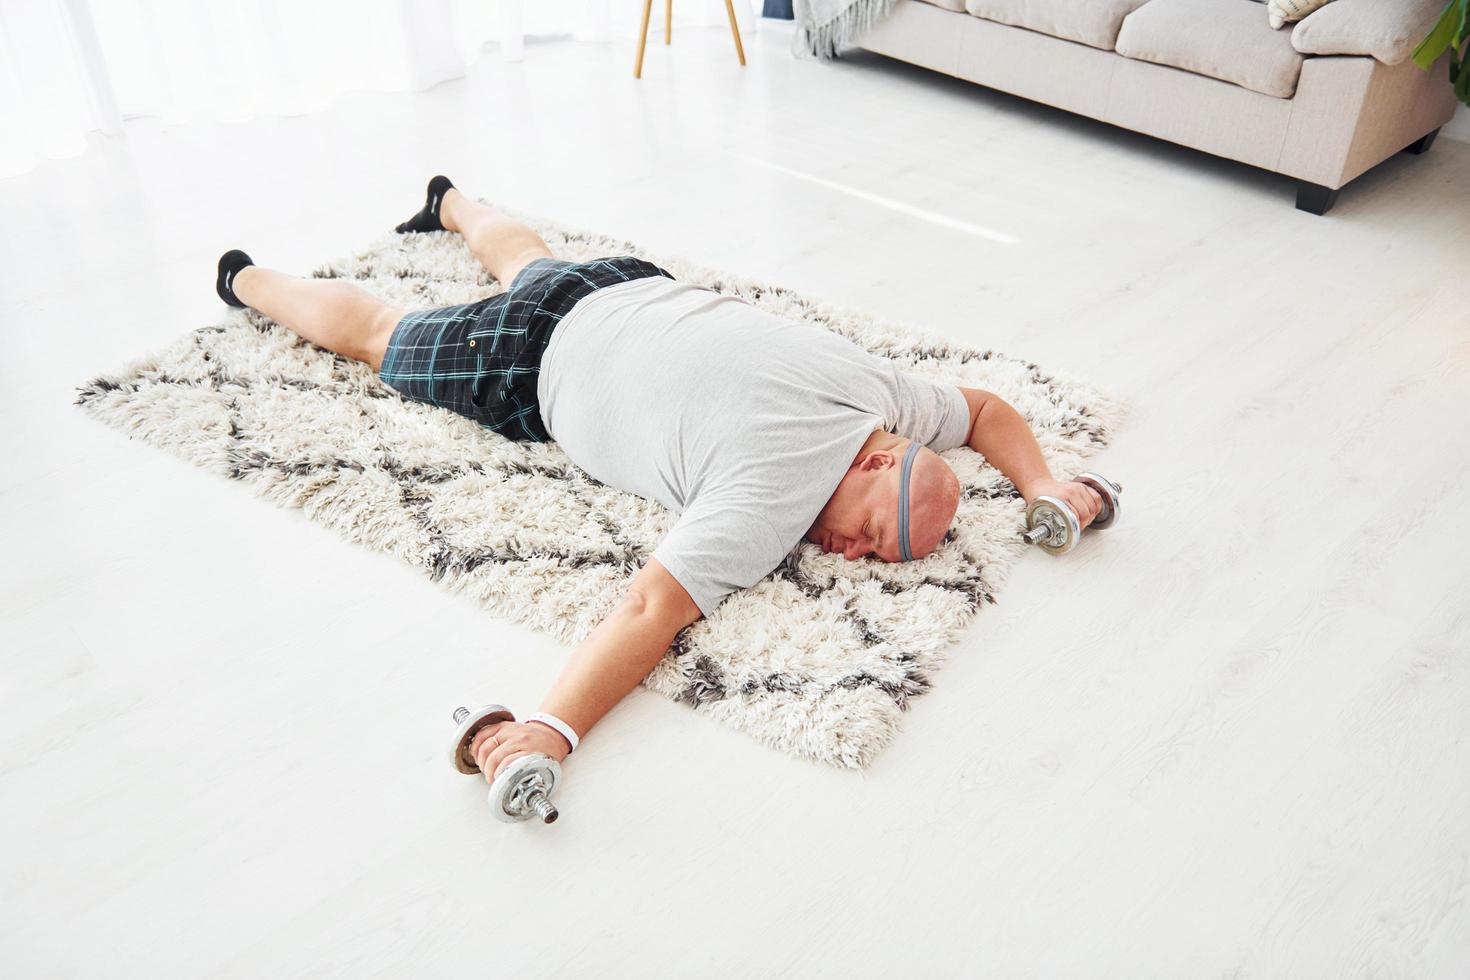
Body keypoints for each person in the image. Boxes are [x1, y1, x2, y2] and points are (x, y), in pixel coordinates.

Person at [214, 175, 1104, 783]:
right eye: (873, 531)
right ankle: (244, 278)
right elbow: (647, 609)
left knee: (527, 261)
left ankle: (451, 201)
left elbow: (983, 410)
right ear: (877, 457)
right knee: (377, 331)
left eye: (878, 557)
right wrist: (553, 730)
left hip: (621, 286)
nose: (856, 555)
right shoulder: (773, 493)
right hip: (528, 358)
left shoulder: (878, 390)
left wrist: (1044, 487)